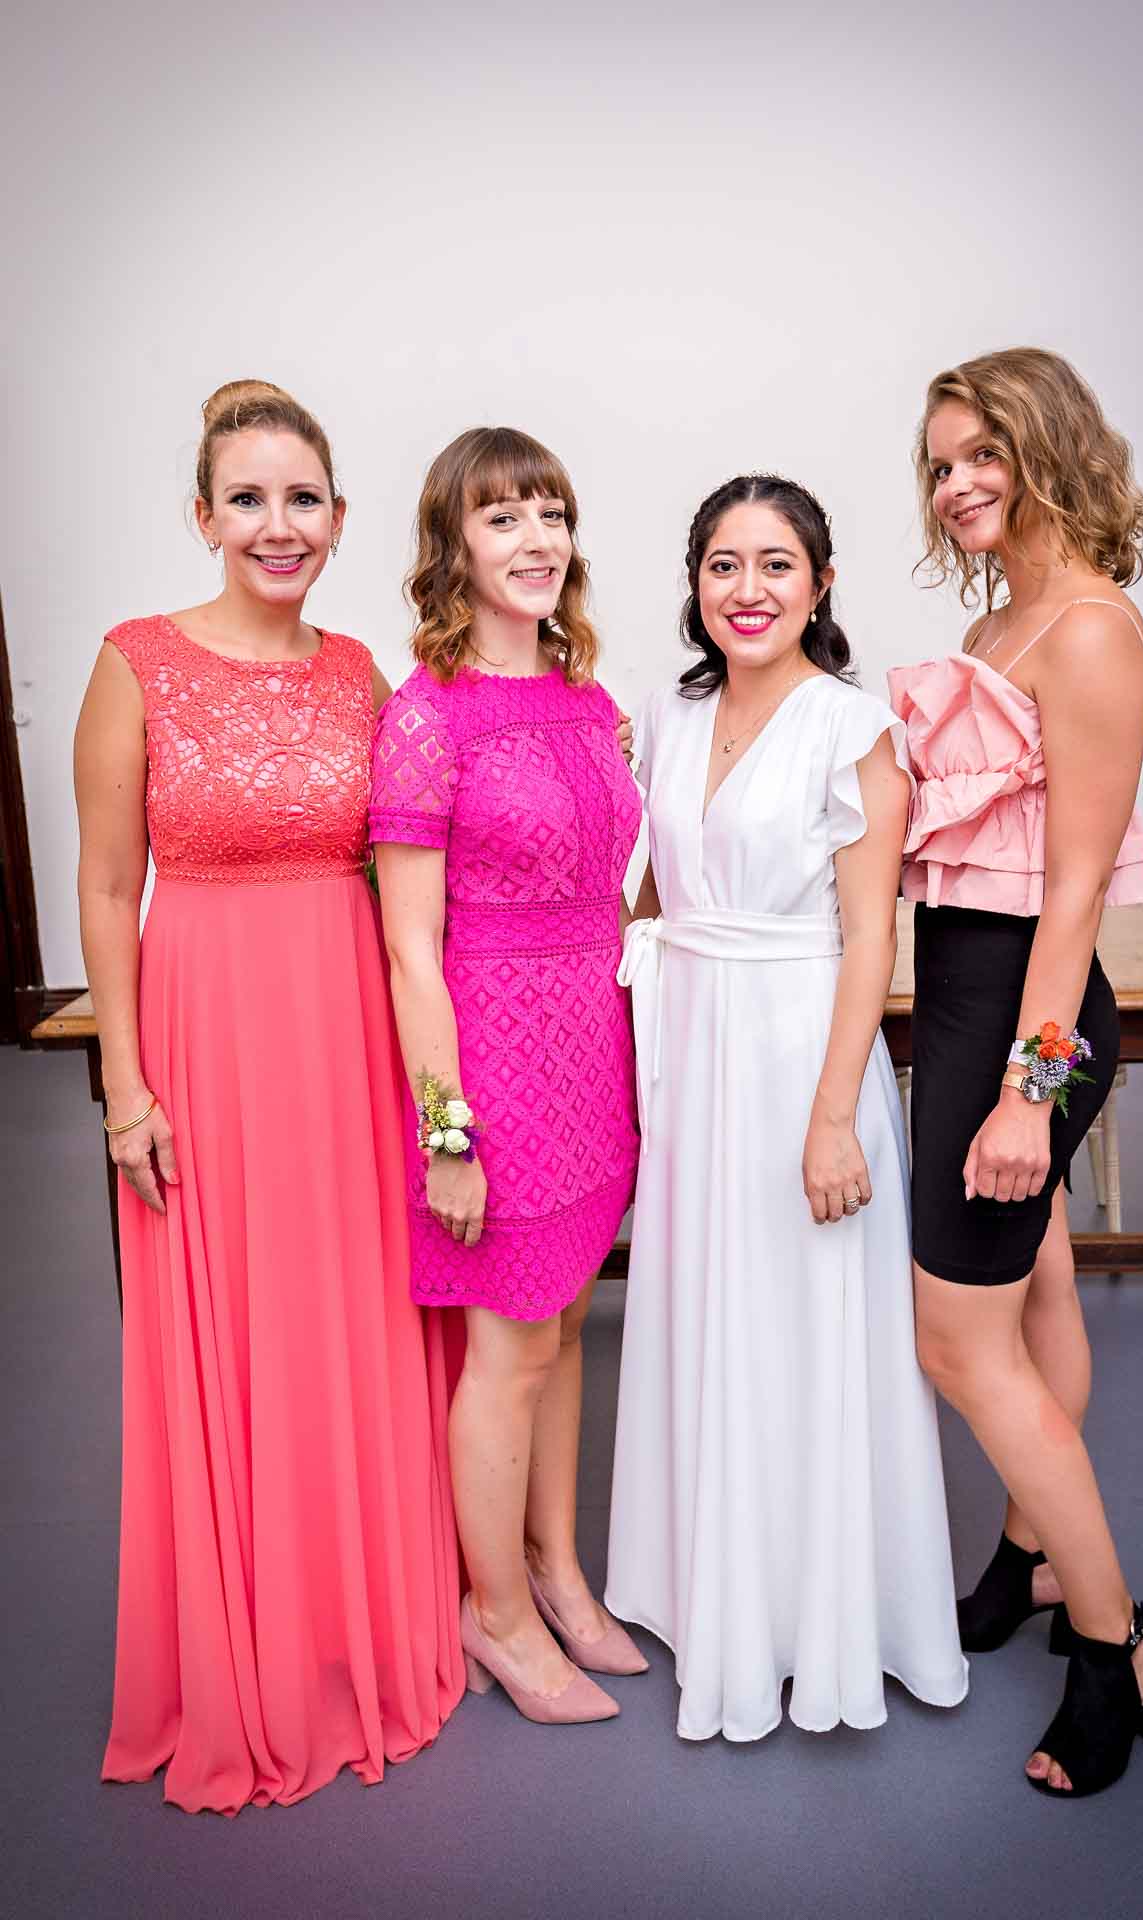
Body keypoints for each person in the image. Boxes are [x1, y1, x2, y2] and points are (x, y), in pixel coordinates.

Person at [75, 380, 463, 1814]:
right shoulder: (136, 663)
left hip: (345, 1039)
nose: (277, 525)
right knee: (234, 1331)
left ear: (341, 519)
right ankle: (252, 1653)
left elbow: (409, 870)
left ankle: (368, 1629)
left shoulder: (361, 670)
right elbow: (109, 888)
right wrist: (127, 1088)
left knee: (355, 1316)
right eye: (249, 498)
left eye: (303, 499)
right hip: (204, 1035)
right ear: (202, 515)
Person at [606, 474, 969, 1743]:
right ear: (693, 583)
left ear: (819, 582)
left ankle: (815, 1612)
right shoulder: (667, 706)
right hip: (694, 1044)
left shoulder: (851, 724)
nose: (746, 590)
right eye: (721, 564)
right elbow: (647, 895)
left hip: (800, 1046)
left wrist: (830, 1118)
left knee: (803, 1321)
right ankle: (710, 1586)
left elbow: (871, 932)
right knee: (710, 1305)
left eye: (774, 565)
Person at [889, 347, 1143, 1798]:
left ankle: (1113, 1646)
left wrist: (1024, 1088)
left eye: (981, 452)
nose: (957, 485)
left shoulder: (1089, 631)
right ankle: (1021, 1557)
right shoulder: (1005, 623)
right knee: (1038, 1291)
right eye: (939, 463)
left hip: (1023, 1020)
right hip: (961, 1000)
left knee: (958, 1344)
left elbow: (1067, 898)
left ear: (1047, 442)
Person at [370, 426, 646, 1727]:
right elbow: (408, 954)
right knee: (506, 1349)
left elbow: (619, 893)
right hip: (491, 1057)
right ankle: (496, 1617)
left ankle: (561, 1575)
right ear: (454, 550)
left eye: (550, 514)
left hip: (595, 1050)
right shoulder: (424, 722)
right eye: (502, 520)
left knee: (566, 1325)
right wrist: (446, 1131)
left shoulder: (593, 704)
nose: (535, 541)